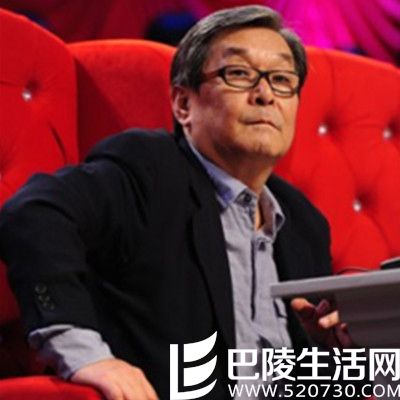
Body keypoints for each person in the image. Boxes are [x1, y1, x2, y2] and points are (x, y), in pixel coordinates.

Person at [0, 5, 355, 400]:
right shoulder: (148, 169)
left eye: (282, 80)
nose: (265, 94)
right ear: (183, 105)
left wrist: (331, 354)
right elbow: (34, 214)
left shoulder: (304, 223)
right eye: (239, 74)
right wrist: (86, 353)